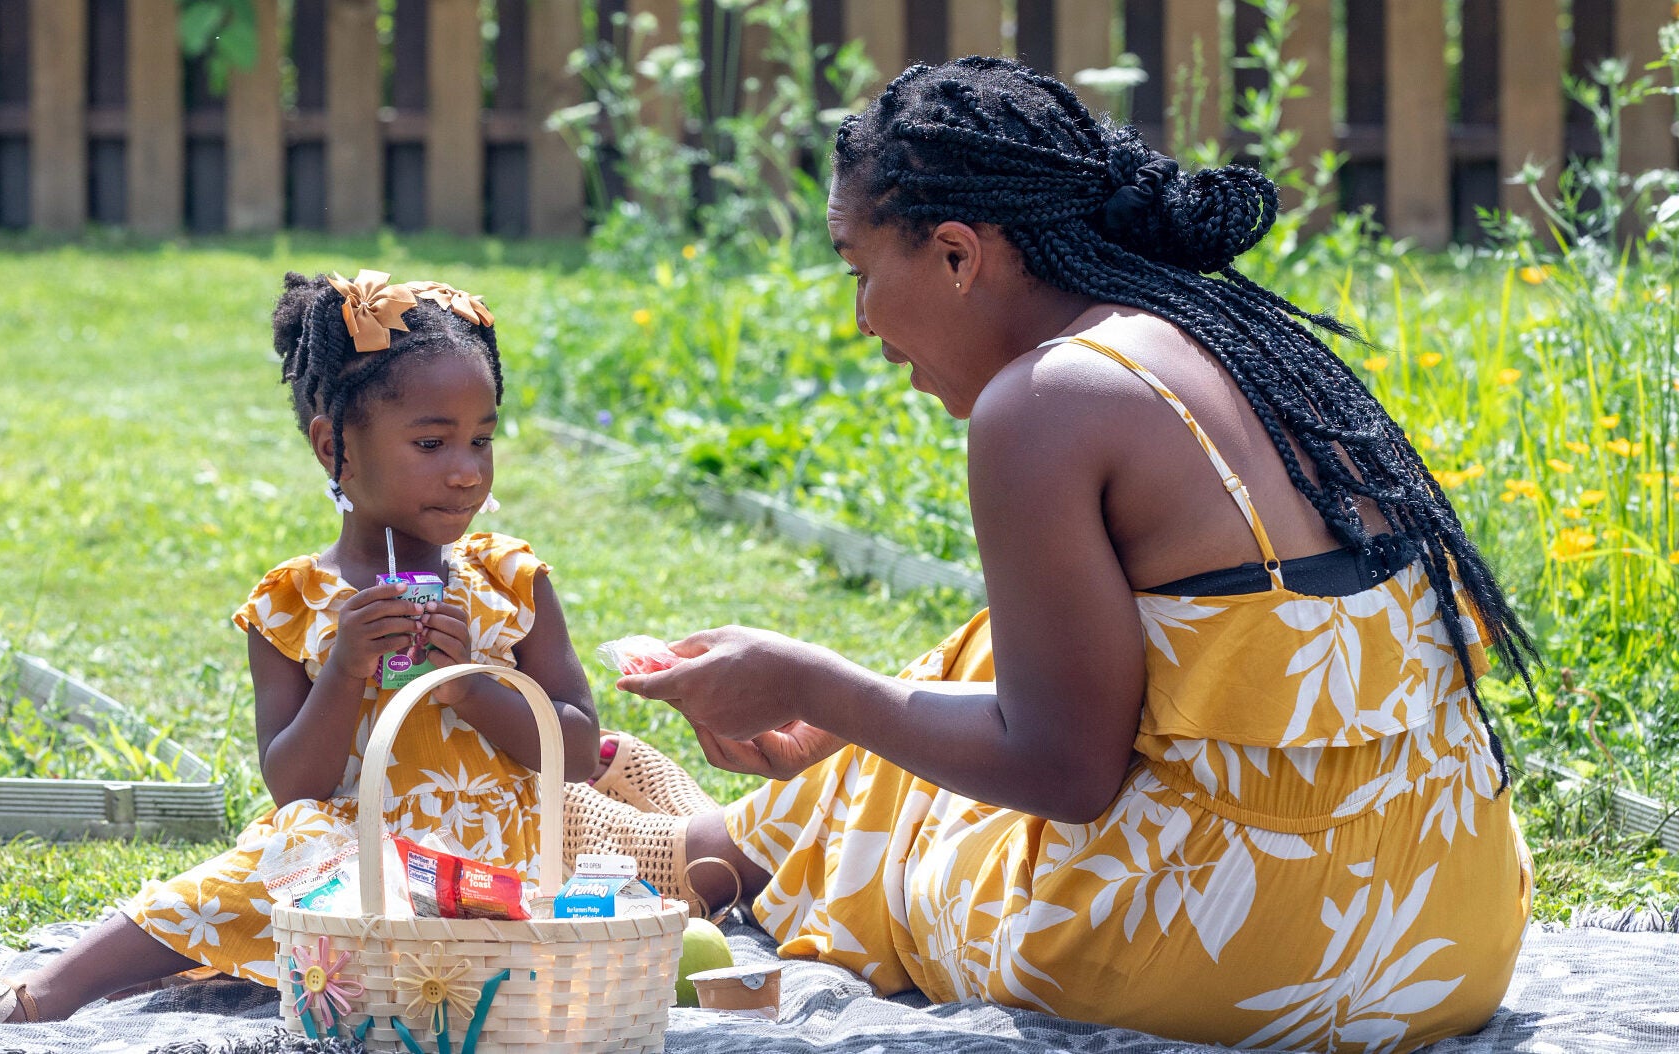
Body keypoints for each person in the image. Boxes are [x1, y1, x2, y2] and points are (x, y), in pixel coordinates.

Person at [586, 57, 1537, 1054]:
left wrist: (809, 685)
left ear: (956, 255)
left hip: (1255, 956)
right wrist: (832, 707)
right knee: (988, 650)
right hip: (1445, 923)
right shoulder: (1223, 339)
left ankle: (695, 850)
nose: (860, 318)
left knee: (928, 781)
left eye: (860, 272)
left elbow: (1062, 766)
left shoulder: (1043, 402)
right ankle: (719, 835)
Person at [0, 269, 667, 1025]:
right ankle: (46, 993)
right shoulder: (293, 603)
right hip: (350, 884)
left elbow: (573, 753)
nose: (467, 470)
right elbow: (293, 788)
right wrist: (343, 671)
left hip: (499, 884)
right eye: (431, 442)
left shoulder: (509, 582)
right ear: (331, 444)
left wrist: (473, 687)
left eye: (482, 439)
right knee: (287, 847)